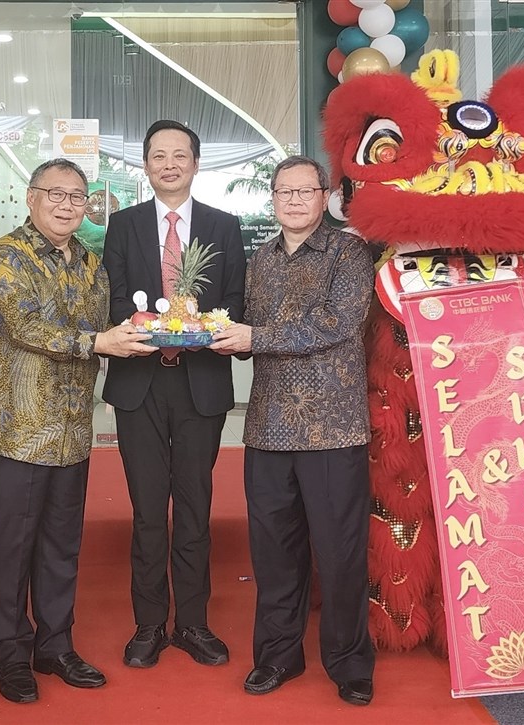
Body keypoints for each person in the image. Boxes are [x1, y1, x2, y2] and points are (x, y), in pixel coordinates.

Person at [0, 158, 154, 704]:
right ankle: (9, 653)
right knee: (10, 549)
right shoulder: (6, 257)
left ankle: (54, 645)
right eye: (56, 194)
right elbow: (25, 324)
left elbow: (105, 326)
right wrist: (99, 343)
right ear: (31, 197)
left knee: (59, 548)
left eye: (77, 197)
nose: (67, 205)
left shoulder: (90, 265)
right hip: (15, 432)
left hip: (71, 433)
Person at [210, 155, 376, 705]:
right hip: (267, 429)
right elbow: (238, 329)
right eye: (285, 191)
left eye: (306, 191)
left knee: (340, 552)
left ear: (324, 195)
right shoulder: (258, 261)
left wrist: (253, 337)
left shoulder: (350, 253)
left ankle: (350, 663)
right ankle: (278, 656)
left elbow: (337, 322)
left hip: (333, 429)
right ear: (273, 198)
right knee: (274, 554)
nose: (295, 201)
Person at [102, 120, 246, 668]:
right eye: (158, 155)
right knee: (145, 512)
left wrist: (204, 330)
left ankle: (193, 623)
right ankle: (147, 626)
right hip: (139, 385)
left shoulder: (224, 225)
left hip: (200, 386)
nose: (169, 164)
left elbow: (232, 298)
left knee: (194, 507)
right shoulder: (123, 225)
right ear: (145, 165)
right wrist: (141, 331)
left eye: (179, 155)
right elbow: (113, 297)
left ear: (195, 163)